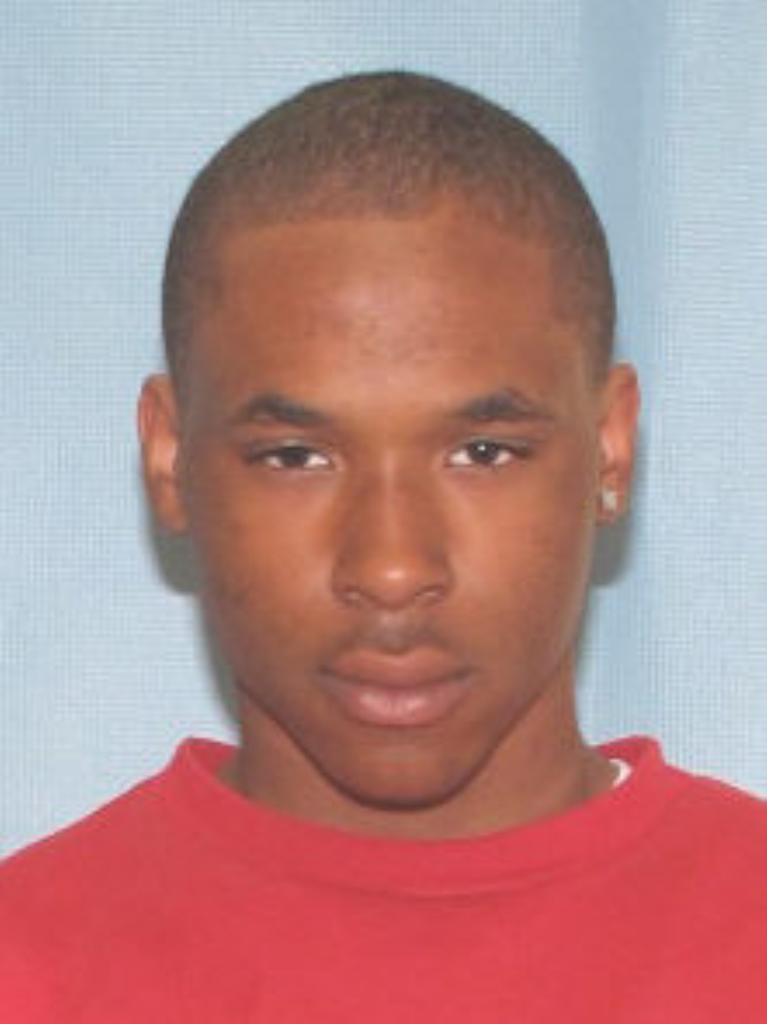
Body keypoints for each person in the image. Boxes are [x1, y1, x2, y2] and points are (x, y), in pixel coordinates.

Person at [1, 70, 764, 1022]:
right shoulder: (26, 965)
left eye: (483, 452)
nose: (393, 568)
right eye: (294, 456)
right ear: (169, 459)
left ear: (609, 447)